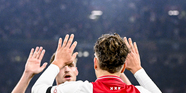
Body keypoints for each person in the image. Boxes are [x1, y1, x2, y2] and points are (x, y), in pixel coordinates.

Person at [32, 33, 162, 93]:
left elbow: (37, 90)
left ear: (95, 63)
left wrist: (57, 62)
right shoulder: (138, 91)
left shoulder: (80, 89)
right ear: (123, 68)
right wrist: (138, 69)